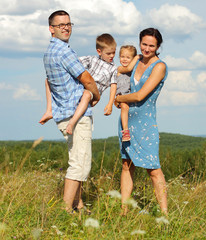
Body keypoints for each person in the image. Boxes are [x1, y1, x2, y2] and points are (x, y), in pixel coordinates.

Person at [43, 10, 100, 212]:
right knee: (80, 165)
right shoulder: (64, 51)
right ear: (51, 29)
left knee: (76, 159)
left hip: (63, 115)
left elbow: (49, 82)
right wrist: (96, 96)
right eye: (61, 25)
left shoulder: (49, 52)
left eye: (68, 24)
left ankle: (79, 205)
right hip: (76, 115)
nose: (66, 28)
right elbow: (86, 78)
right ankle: (66, 211)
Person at [114, 28, 168, 215]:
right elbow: (119, 70)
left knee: (153, 169)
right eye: (144, 44)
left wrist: (118, 99)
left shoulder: (159, 66)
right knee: (126, 165)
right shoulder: (135, 59)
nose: (146, 48)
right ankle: (124, 210)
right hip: (127, 121)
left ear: (158, 46)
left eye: (151, 45)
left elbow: (140, 95)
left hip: (146, 123)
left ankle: (164, 214)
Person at [39, 33, 118, 135]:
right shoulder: (92, 59)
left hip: (93, 92)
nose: (112, 56)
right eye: (108, 53)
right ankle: (49, 110)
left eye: (114, 53)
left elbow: (113, 85)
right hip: (80, 86)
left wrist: (110, 103)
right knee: (48, 81)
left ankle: (72, 123)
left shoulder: (113, 69)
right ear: (99, 51)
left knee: (86, 94)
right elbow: (73, 63)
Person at [116, 45, 138, 142]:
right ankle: (125, 131)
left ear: (132, 59)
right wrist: (138, 57)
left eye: (128, 57)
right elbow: (128, 68)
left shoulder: (135, 71)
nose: (124, 59)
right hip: (122, 95)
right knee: (124, 107)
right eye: (122, 56)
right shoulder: (120, 69)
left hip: (131, 95)